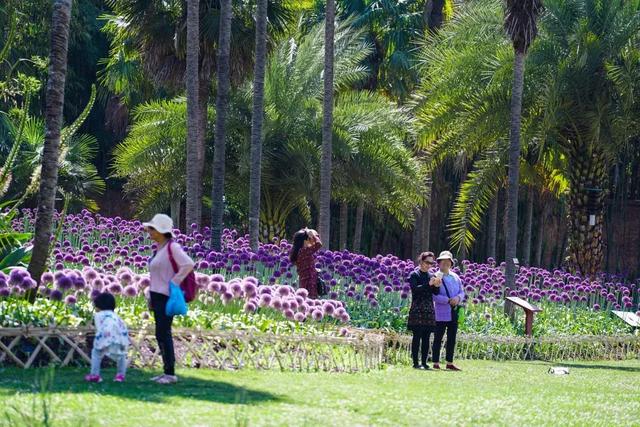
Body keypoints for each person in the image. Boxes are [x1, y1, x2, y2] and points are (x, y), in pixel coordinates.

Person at [143, 213, 195, 384]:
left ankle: (170, 373)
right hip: (157, 295)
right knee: (160, 333)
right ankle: (166, 371)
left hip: (166, 296)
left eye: (152, 228)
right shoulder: (160, 248)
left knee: (164, 333)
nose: (148, 231)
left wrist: (174, 281)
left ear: (160, 230)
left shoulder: (173, 247)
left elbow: (188, 264)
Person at [430, 250, 465, 371]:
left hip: (454, 311)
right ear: (438, 263)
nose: (445, 263)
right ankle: (435, 362)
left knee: (452, 338)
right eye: (442, 261)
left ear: (451, 263)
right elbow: (433, 296)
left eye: (447, 261)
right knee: (438, 338)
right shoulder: (435, 277)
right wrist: (447, 300)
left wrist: (457, 298)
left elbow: (462, 292)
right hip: (441, 312)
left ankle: (449, 363)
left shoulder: (456, 277)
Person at [85, 292, 129, 383]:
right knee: (121, 356)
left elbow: (100, 327)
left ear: (98, 306)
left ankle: (95, 375)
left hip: (106, 337)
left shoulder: (98, 315)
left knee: (96, 353)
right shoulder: (116, 316)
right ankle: (120, 375)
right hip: (120, 338)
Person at [407, 251, 437, 370]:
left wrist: (437, 285)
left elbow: (435, 292)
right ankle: (415, 363)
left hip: (429, 309)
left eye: (431, 263)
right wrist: (428, 284)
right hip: (417, 308)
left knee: (427, 337)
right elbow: (415, 290)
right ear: (421, 261)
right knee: (417, 336)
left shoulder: (432, 275)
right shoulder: (414, 275)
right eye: (427, 262)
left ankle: (424, 362)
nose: (429, 265)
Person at [289, 228, 322, 299]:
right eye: (309, 239)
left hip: (304, 280)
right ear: (304, 241)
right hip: (310, 281)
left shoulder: (297, 251)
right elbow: (318, 244)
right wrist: (313, 235)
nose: (310, 241)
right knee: (310, 301)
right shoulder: (304, 251)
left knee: (304, 299)